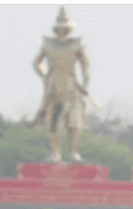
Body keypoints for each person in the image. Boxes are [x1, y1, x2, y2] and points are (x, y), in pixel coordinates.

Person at [32, 6, 90, 163]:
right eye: (60, 28)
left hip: (71, 83)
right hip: (53, 85)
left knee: (74, 120)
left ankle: (74, 152)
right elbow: (36, 62)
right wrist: (44, 75)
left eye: (65, 28)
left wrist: (85, 83)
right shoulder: (48, 44)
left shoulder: (76, 44)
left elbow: (85, 64)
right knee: (53, 120)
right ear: (56, 28)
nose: (62, 30)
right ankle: (55, 153)